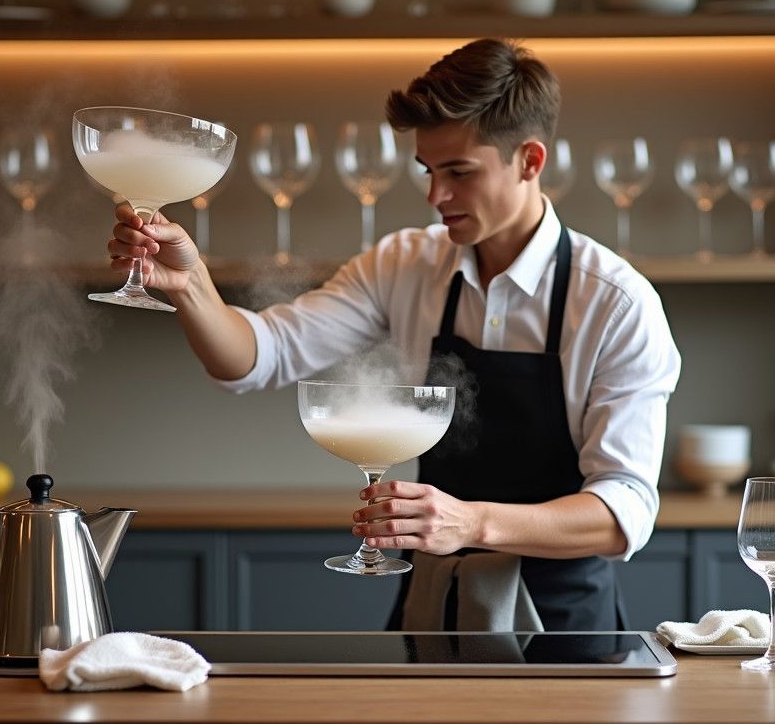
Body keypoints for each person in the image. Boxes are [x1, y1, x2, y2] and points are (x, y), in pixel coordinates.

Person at [104, 38, 681, 632]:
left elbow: (623, 513)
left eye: (459, 172)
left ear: (530, 161)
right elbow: (255, 358)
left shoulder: (616, 303)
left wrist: (472, 524)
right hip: (434, 612)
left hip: (569, 625)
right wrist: (190, 284)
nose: (436, 197)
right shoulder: (405, 264)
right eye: (429, 172)